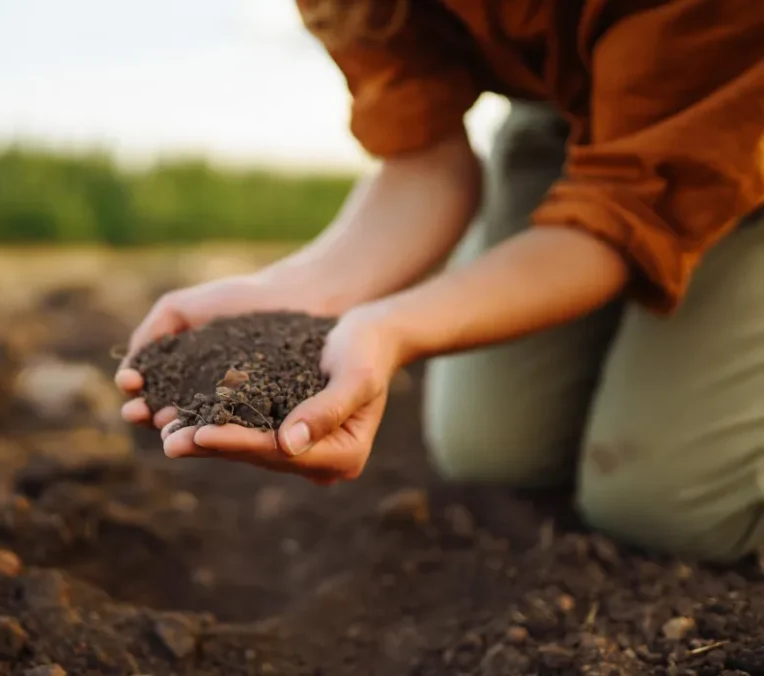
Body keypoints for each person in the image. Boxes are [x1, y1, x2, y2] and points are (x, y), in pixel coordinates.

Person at [116, 0, 764, 563]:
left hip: (739, 111)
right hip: (574, 115)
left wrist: (395, 326)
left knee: (665, 505)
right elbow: (425, 164)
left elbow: (618, 217)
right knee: (493, 450)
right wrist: (302, 293)